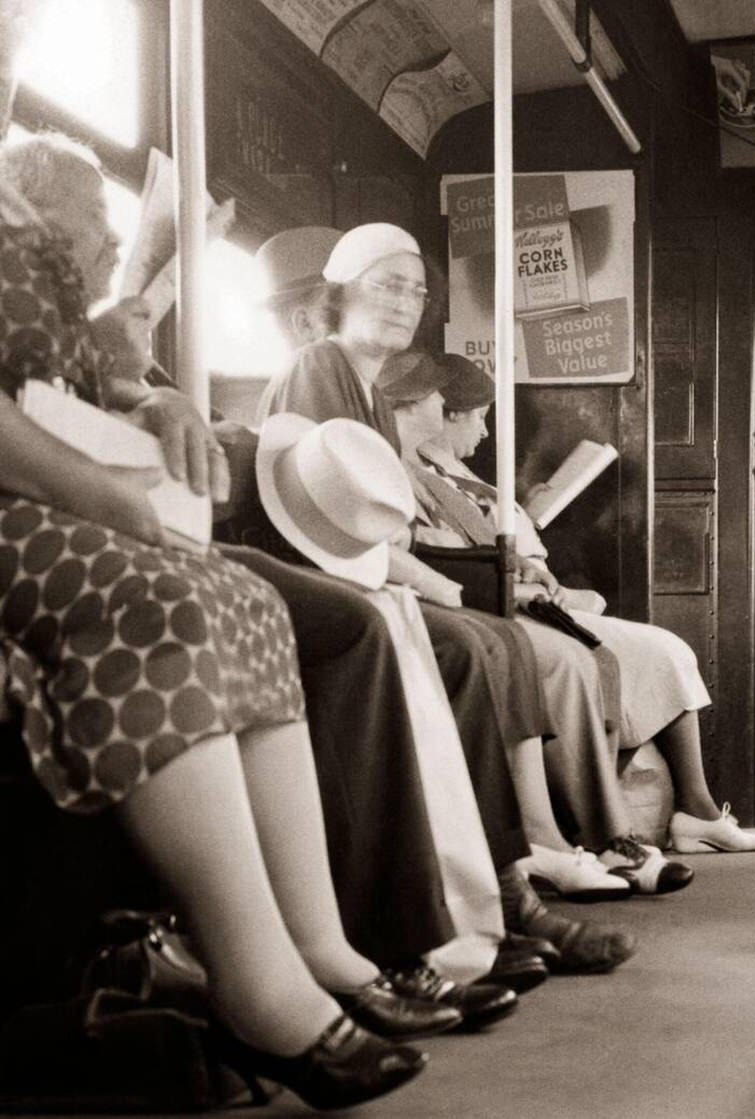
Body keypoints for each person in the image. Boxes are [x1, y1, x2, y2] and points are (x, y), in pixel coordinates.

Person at [0, 147, 438, 1109]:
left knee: (252, 601)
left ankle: (312, 939)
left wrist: (149, 389)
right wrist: (103, 495)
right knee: (170, 599)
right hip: (22, 503)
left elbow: (82, 390)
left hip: (51, 495)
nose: (114, 240)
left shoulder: (48, 276)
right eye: (98, 226)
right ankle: (255, 980)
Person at [252, 226, 645, 949]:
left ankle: (505, 885)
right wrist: (435, 585)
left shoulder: (363, 383)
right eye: (385, 283)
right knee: (465, 647)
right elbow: (330, 519)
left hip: (359, 573)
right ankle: (491, 898)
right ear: (337, 294)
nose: (405, 301)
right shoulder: (321, 367)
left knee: (488, 638)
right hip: (317, 582)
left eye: (415, 288)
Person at [384, 346, 755, 855]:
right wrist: (521, 576)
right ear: (431, 409)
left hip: (521, 592)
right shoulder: (400, 472)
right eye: (473, 416)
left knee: (666, 648)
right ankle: (601, 828)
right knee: (609, 658)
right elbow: (446, 556)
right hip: (483, 603)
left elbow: (499, 539)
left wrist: (532, 563)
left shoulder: (449, 469)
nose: (482, 433)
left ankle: (692, 809)